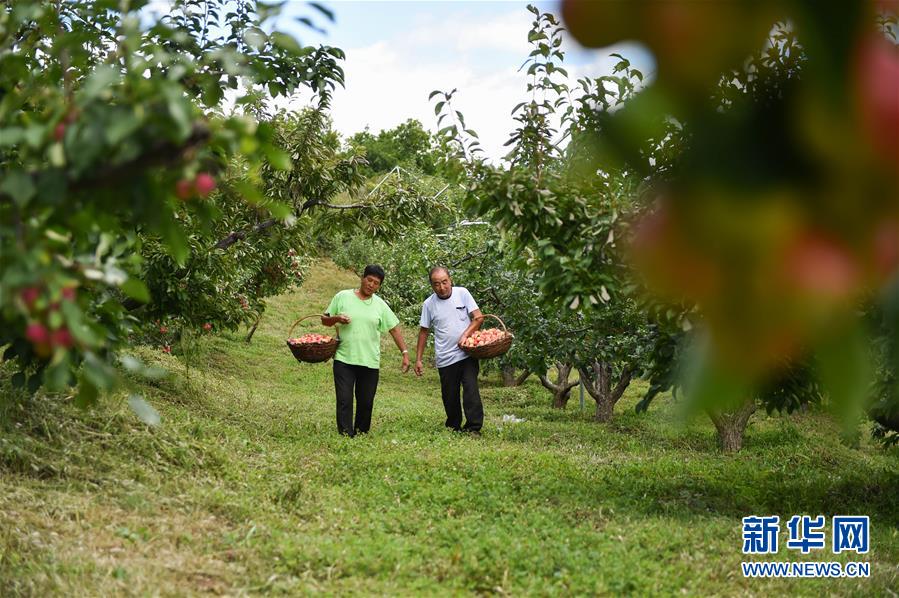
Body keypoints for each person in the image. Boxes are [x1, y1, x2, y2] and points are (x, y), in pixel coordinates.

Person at [321, 265, 409, 437]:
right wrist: (337, 318)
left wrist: (405, 353)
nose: (371, 285)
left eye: (376, 283)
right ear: (362, 278)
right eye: (369, 280)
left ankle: (361, 434)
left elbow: (394, 328)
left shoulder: (380, 305)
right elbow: (325, 320)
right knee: (344, 400)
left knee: (366, 402)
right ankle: (346, 434)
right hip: (344, 359)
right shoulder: (343, 297)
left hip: (369, 361)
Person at [414, 266, 485, 435]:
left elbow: (479, 317)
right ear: (432, 285)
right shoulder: (429, 304)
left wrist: (465, 335)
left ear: (450, 279)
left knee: (470, 389)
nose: (442, 287)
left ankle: (473, 428)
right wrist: (418, 359)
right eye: (436, 284)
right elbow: (424, 331)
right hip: (445, 357)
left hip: (466, 353)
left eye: (444, 282)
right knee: (449, 395)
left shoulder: (463, 293)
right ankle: (453, 426)